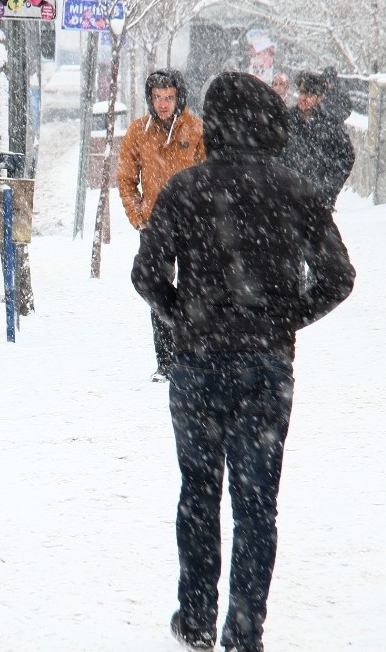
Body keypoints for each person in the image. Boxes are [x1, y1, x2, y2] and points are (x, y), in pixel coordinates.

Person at [132, 71, 355, 652]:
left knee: (198, 491)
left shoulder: (185, 190)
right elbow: (338, 276)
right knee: (258, 503)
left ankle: (197, 616)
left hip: (198, 365)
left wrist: (185, 316)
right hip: (266, 367)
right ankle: (244, 628)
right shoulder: (295, 190)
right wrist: (284, 319)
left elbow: (147, 275)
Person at [116, 69, 205, 382]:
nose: (163, 104)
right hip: (156, 224)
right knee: (155, 288)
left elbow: (210, 176)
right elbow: (126, 178)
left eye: (169, 97)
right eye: (157, 97)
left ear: (178, 97)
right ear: (150, 99)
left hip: (193, 226)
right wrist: (138, 215)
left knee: (195, 291)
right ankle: (166, 361)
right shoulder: (138, 132)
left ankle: (190, 355)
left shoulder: (196, 129)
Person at [278, 70, 355, 209]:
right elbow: (275, 151)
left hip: (317, 201)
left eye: (309, 94)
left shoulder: (330, 124)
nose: (303, 98)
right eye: (301, 92)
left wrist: (329, 189)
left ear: (319, 97)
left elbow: (346, 157)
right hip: (287, 198)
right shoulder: (286, 119)